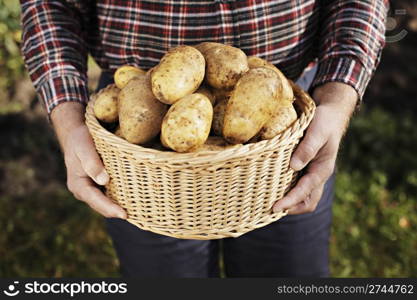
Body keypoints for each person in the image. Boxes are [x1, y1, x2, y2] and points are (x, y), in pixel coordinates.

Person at [20, 0, 388, 277]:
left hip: (287, 112)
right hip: (134, 125)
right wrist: (69, 123)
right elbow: (49, 6)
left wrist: (337, 103)